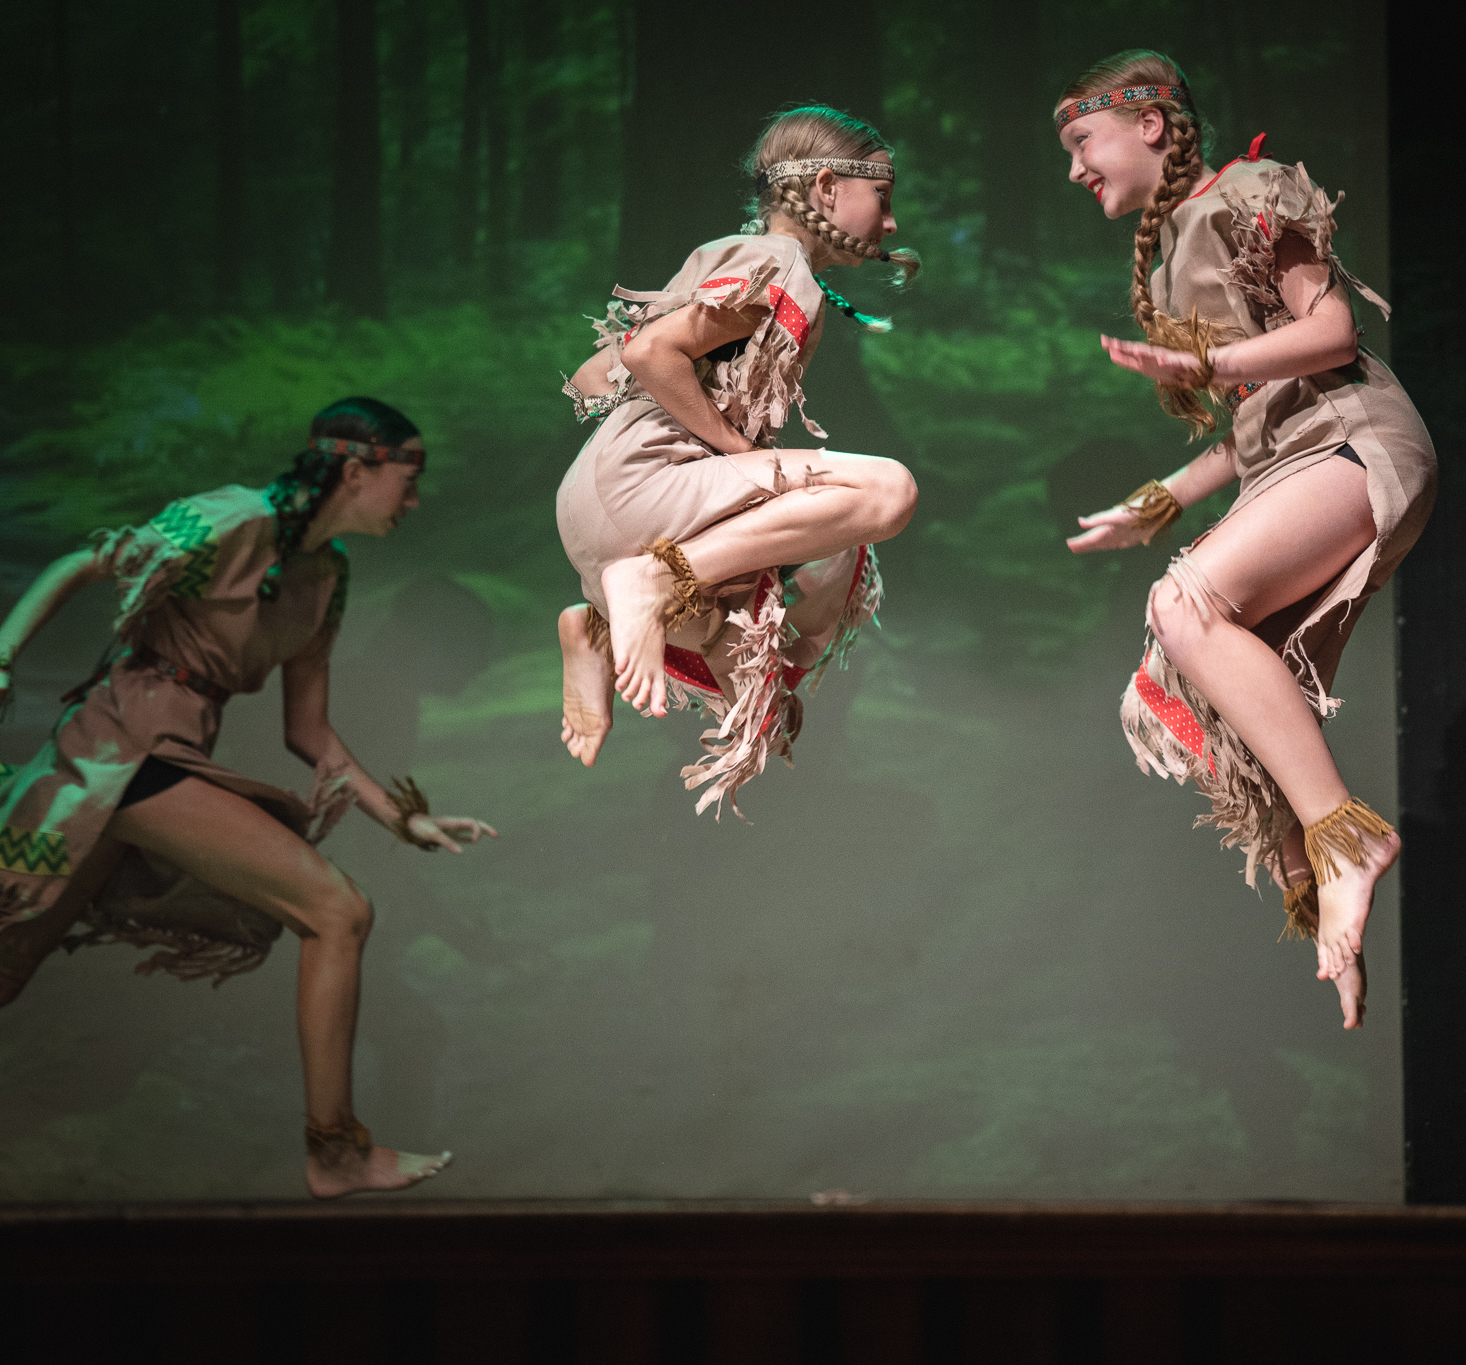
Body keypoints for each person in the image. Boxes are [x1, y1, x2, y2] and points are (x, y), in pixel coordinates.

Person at [0, 397, 497, 1197]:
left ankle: (334, 1148)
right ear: (355, 467)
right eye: (410, 477)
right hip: (117, 747)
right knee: (337, 909)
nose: (416, 498)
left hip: (168, 756)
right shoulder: (229, 519)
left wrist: (403, 817)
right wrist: (2, 652)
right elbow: (84, 564)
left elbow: (310, 731)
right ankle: (334, 1149)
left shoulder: (326, 580)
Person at [1056, 52, 1437, 1029]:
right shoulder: (1184, 235)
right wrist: (1161, 497)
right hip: (1290, 459)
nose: (1073, 169)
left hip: (1351, 442)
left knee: (1185, 604)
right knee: (1204, 673)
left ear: (1148, 126)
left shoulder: (1244, 194)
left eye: (1080, 142)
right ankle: (1320, 896)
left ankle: (1343, 840)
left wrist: (1212, 356)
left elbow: (1332, 335)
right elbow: (1256, 414)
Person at [556, 105, 920, 815]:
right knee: (888, 493)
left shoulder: (757, 261)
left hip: (608, 505)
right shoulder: (776, 262)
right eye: (883, 196)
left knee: (772, 696)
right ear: (824, 188)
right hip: (645, 488)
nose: (892, 222)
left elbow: (605, 366)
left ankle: (594, 625)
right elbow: (645, 352)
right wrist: (733, 448)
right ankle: (647, 579)